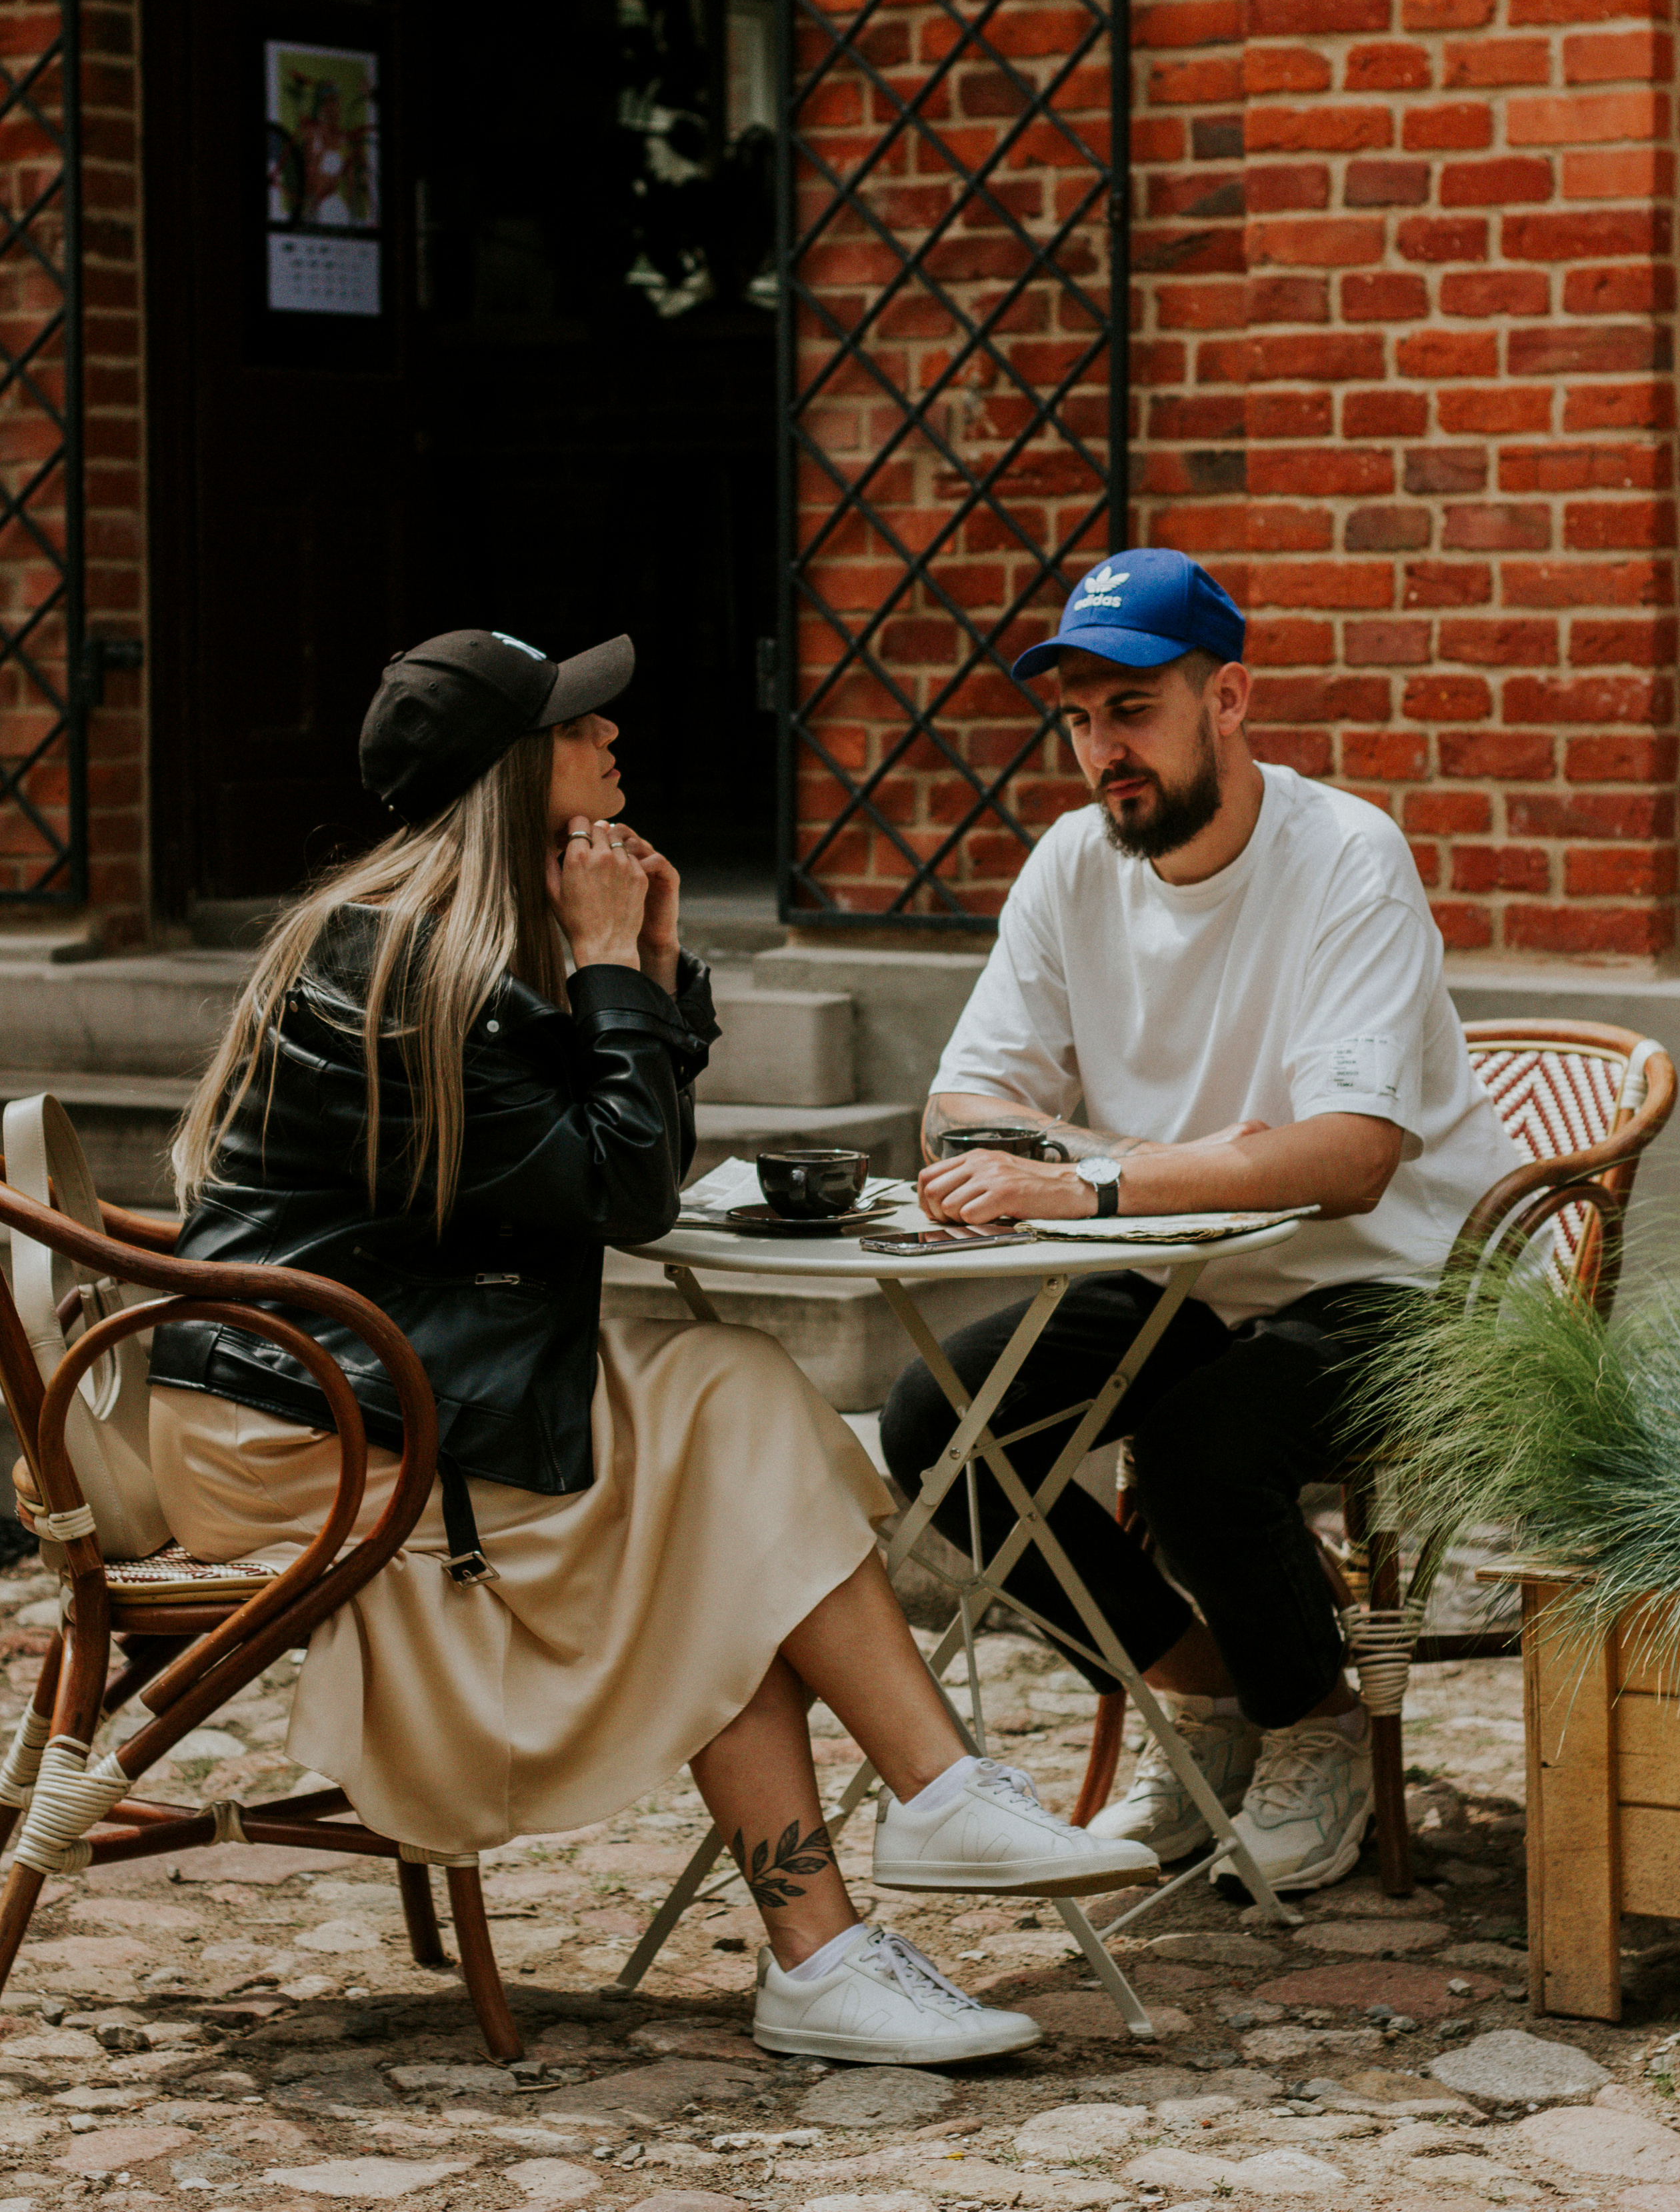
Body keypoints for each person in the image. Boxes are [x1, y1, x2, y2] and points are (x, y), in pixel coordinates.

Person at [148, 626, 1153, 2067]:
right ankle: (894, 1850)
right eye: (576, 725)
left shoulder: (470, 944)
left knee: (726, 1422)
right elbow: (620, 1197)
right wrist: (621, 967)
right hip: (303, 1423)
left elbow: (626, 1171)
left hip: (402, 1379)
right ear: (510, 777)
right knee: (718, 1471)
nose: (612, 739)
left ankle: (857, 1910)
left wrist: (648, 970)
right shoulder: (395, 963)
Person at [880, 551, 1519, 1894]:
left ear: (1225, 698)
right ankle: (1220, 1699)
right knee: (940, 1425)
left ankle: (1318, 1728)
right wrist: (1166, 1162)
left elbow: (1345, 1161)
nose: (1102, 749)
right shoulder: (1071, 863)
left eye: (1132, 710)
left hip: (1395, 1278)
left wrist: (1092, 1179)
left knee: (1200, 1444)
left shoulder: (1344, 855)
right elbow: (960, 1110)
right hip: (1191, 1264)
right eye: (1078, 719)